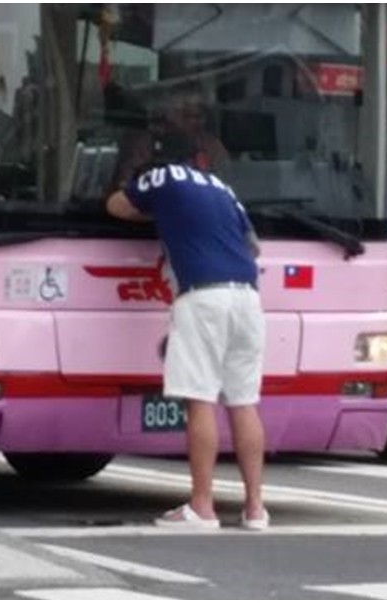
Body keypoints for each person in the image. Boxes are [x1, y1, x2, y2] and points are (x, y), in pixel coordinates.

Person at [105, 161, 268, 531]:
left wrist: (156, 212)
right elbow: (252, 246)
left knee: (200, 400)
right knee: (244, 402)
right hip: (248, 298)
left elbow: (116, 205)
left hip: (203, 297)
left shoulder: (161, 176)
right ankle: (256, 508)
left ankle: (202, 507)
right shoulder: (222, 187)